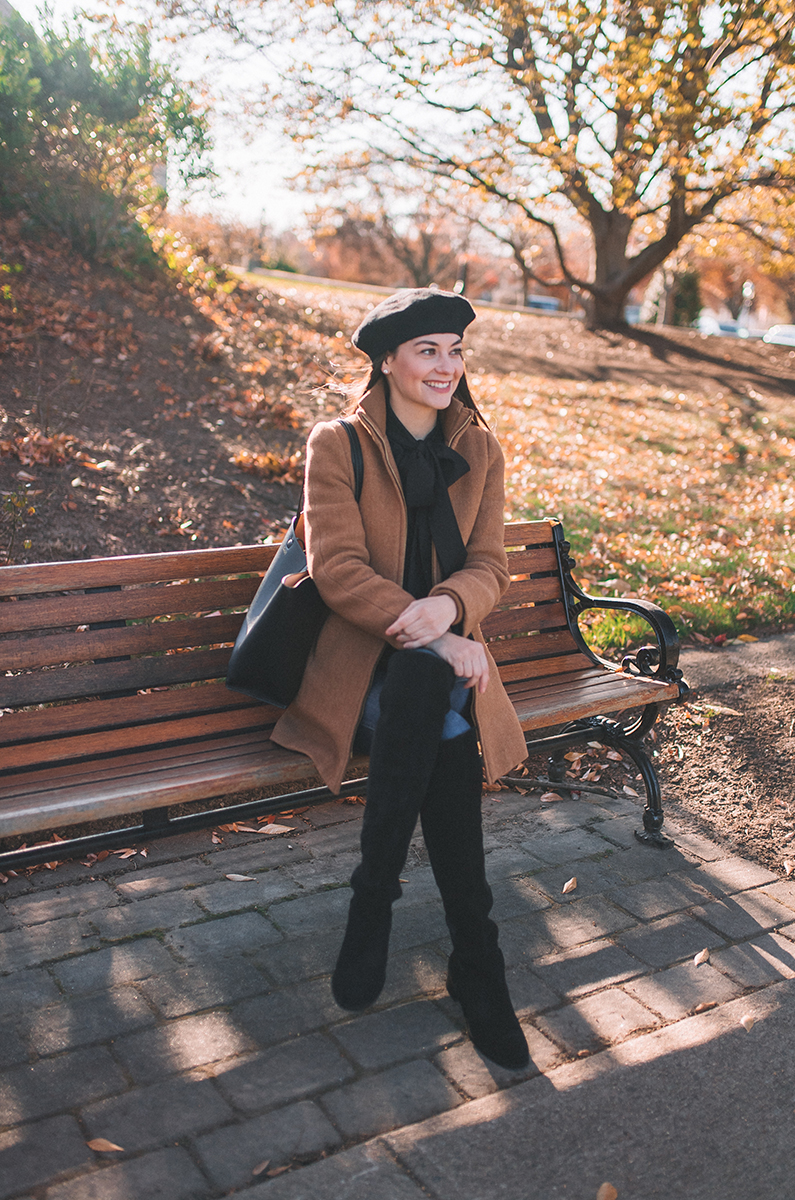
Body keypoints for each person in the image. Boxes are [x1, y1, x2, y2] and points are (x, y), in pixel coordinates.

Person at [270, 287, 530, 1069]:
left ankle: (373, 899)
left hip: (442, 666)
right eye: (428, 350)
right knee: (427, 699)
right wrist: (431, 635)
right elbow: (337, 568)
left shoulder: (480, 450)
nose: (446, 366)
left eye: (455, 350)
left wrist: (450, 610)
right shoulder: (337, 444)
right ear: (386, 360)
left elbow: (490, 566)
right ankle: (477, 967)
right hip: (359, 666)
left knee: (429, 698)